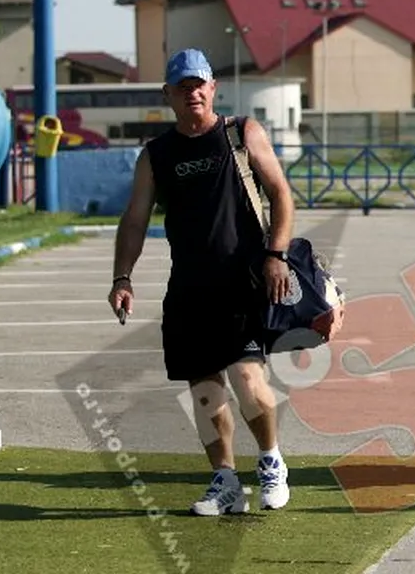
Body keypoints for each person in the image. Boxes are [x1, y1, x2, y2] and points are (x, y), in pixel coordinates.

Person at [108, 48, 298, 516]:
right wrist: (122, 276)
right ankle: (226, 480)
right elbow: (134, 221)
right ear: (168, 94)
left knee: (249, 378)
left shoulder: (240, 134)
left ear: (212, 88)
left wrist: (276, 254)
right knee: (206, 390)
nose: (193, 92)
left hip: (243, 282)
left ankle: (271, 461)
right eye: (183, 86)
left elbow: (281, 194)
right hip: (190, 288)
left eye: (200, 84)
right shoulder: (156, 155)